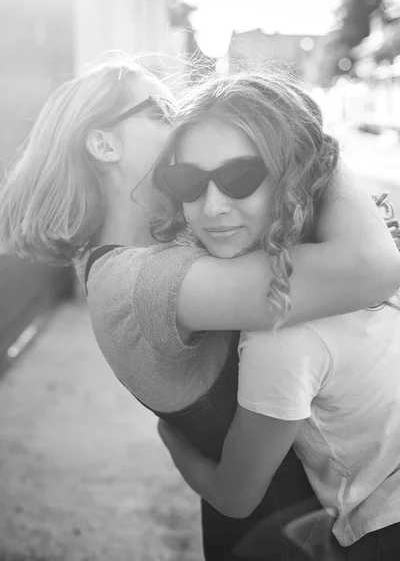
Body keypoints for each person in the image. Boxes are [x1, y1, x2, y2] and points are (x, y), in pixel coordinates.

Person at [0, 58, 399, 560]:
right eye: (162, 111)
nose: (184, 118)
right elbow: (369, 266)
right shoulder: (137, 280)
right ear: (105, 144)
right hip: (277, 536)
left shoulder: (171, 247)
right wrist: (305, 137)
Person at [154, 69, 400, 560]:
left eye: (240, 176)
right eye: (187, 181)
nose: (212, 205)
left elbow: (235, 496)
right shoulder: (357, 252)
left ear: (296, 174)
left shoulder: (280, 329)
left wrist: (170, 435)